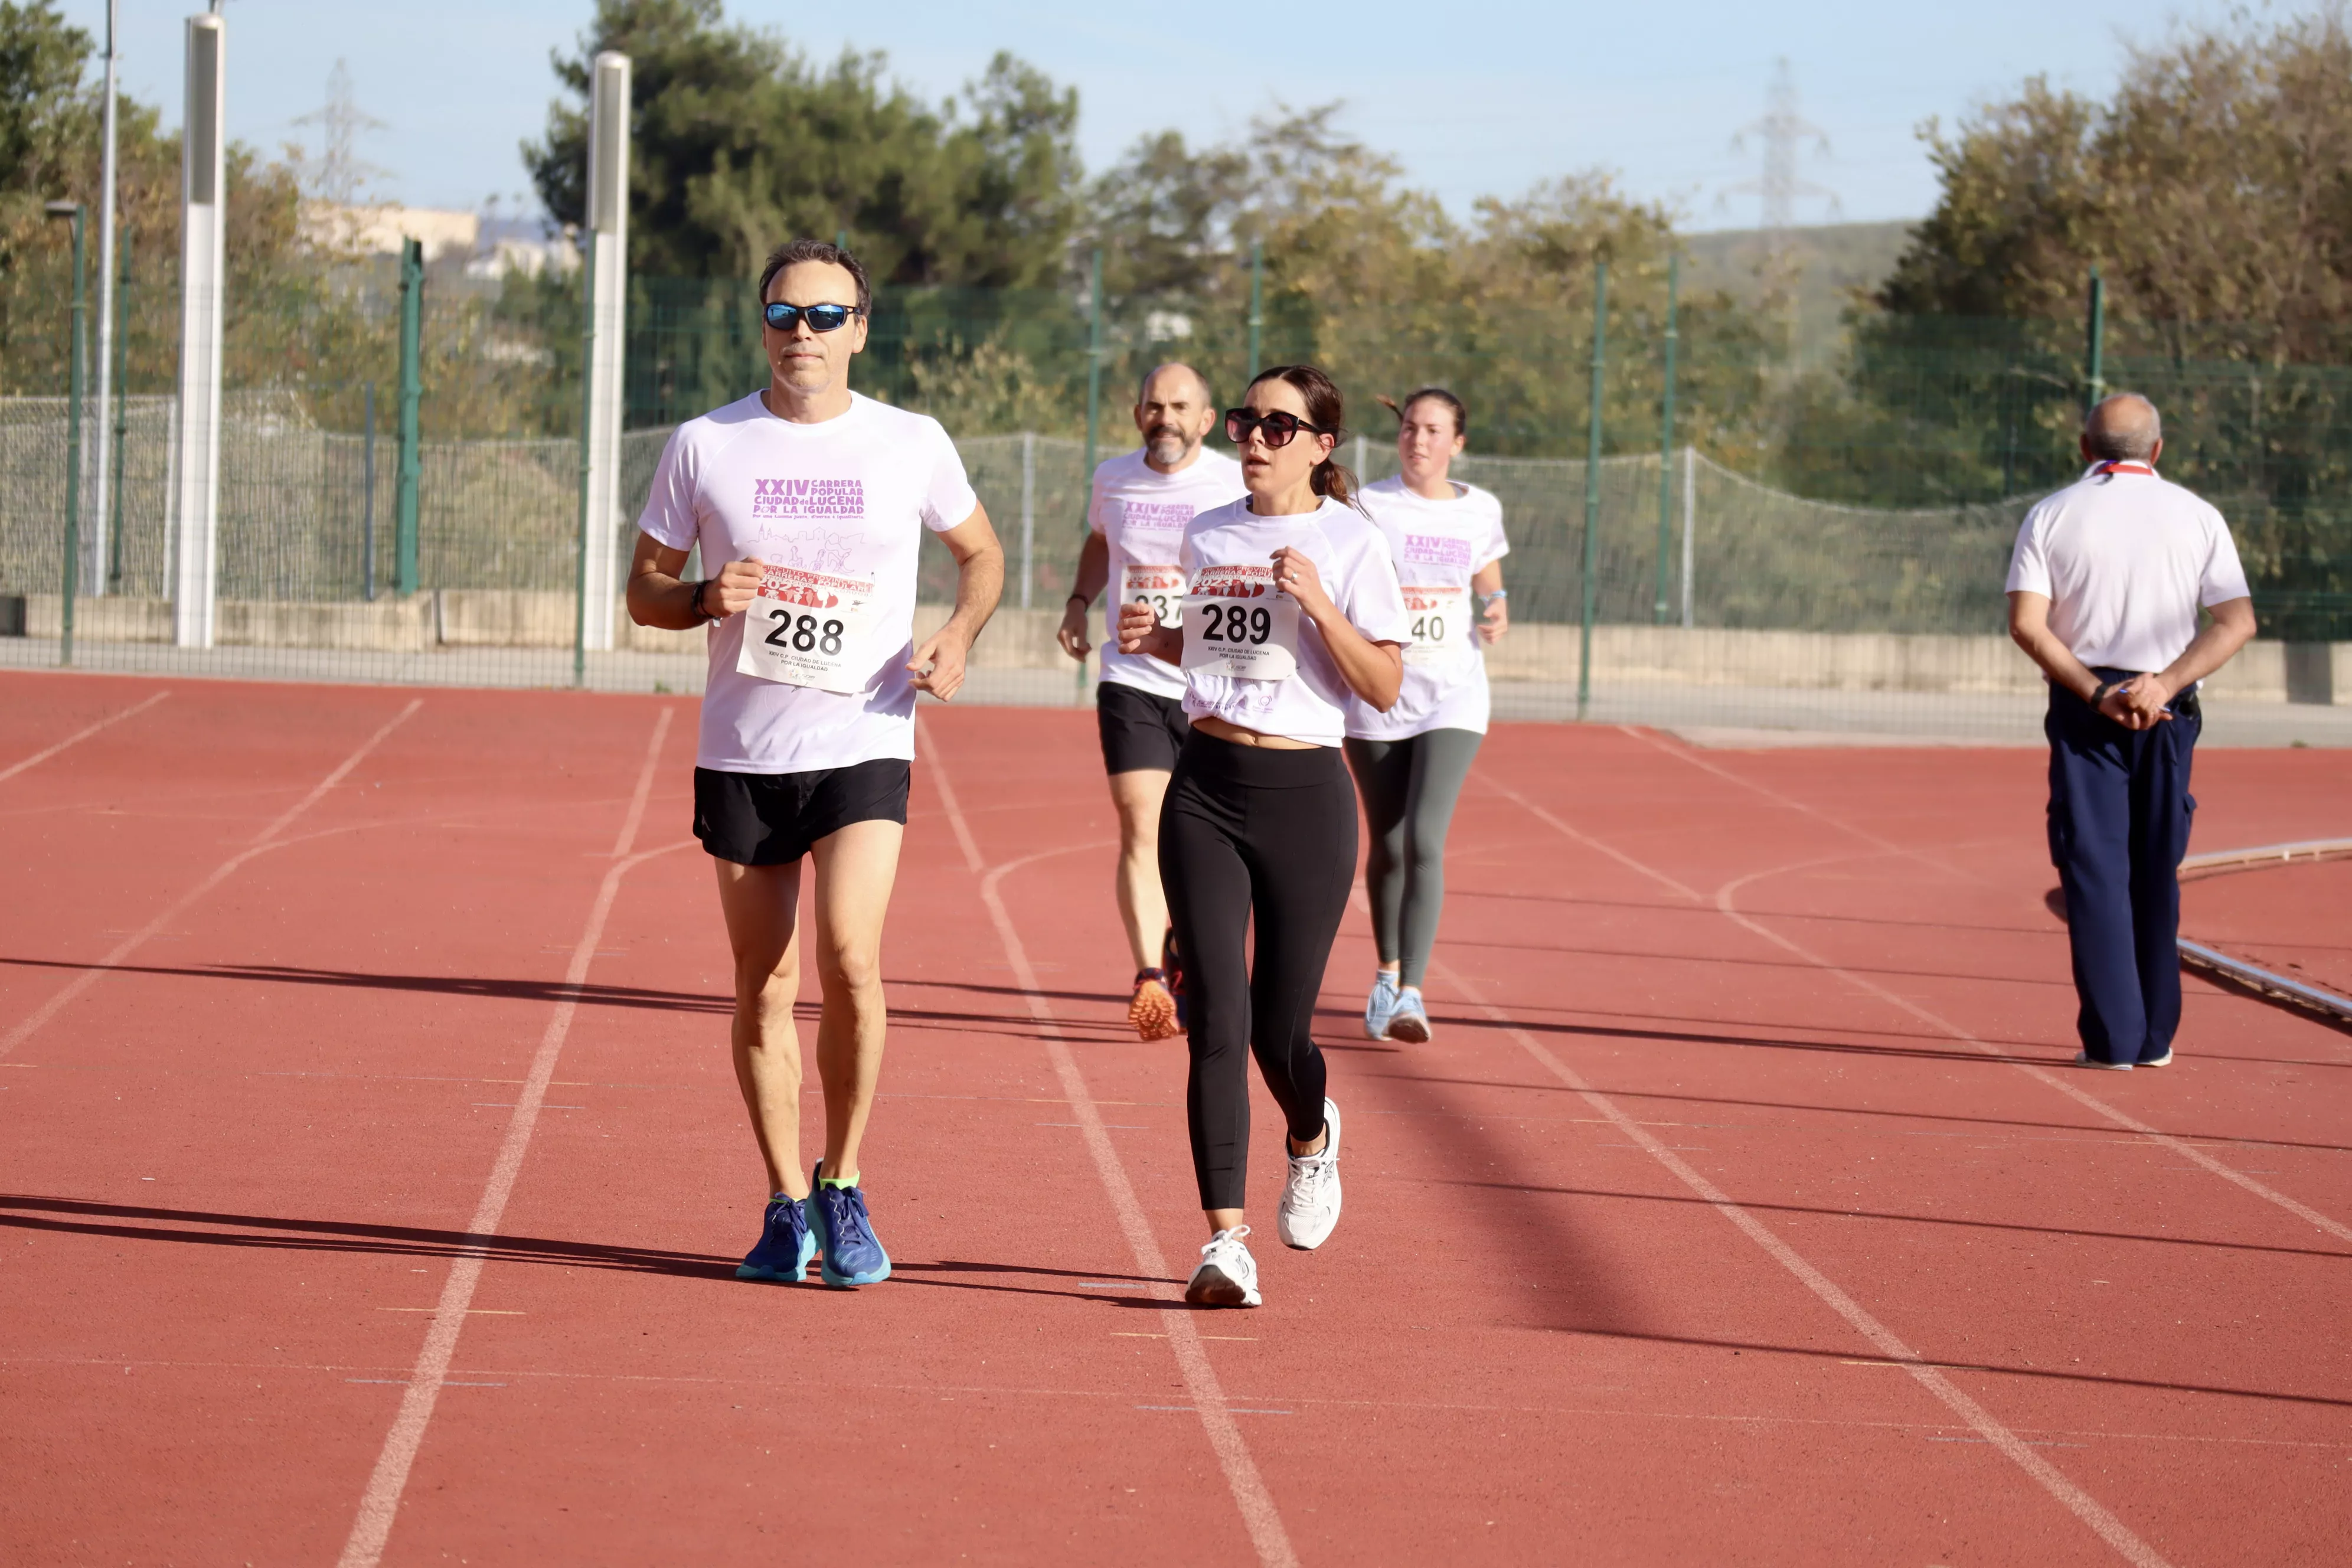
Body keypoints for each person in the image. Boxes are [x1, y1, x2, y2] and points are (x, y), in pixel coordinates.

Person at [626, 238, 1004, 1285]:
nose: (804, 333)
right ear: (761, 324)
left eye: (826, 316)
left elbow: (981, 554)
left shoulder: (908, 442)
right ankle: (784, 1202)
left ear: (860, 330)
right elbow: (644, 590)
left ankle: (845, 1184)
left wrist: (959, 636)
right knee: (762, 983)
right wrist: (705, 598)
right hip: (742, 750)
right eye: (785, 314)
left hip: (865, 733)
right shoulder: (704, 445)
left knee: (849, 956)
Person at [1117, 365, 1410, 1307]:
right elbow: (1210, 645)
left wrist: (1320, 601)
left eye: (1277, 425)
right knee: (1218, 1022)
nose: (1252, 436)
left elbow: (1384, 687)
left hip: (1305, 794)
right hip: (1204, 785)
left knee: (1281, 1032)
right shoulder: (1208, 530)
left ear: (1322, 447)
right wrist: (1155, 636)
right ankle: (1224, 1244)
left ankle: (1312, 1133)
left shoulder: (1354, 542)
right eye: (1246, 419)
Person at [2006, 393, 2255, 1070]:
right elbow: (2237, 622)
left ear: (2086, 448)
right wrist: (2164, 685)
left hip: (2089, 708)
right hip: (2168, 709)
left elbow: (2027, 623)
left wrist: (2095, 692)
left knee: (2094, 868)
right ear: (2159, 449)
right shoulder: (2199, 515)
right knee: (2156, 866)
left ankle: (2112, 1040)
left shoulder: (2052, 513)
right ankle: (2155, 1037)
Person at [1058, 364, 1246, 1040]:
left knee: (1206, 839)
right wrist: (1080, 602)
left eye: (1179, 407)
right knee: (1142, 824)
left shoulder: (1234, 481)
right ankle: (1150, 977)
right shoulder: (1113, 477)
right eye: (1153, 406)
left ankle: (1188, 943)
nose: (1164, 417)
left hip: (1212, 684)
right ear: (1138, 413)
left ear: (1205, 419)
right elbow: (1100, 541)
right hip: (1133, 677)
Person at [1344, 388, 1510, 1043]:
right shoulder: (1369, 504)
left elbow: (1487, 574)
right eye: (1410, 428)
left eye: (1433, 431)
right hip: (1380, 691)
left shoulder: (1481, 508)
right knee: (1386, 842)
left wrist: (1495, 603)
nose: (1418, 440)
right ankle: (1386, 974)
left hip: (1454, 691)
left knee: (1424, 840)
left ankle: (1412, 991)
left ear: (1457, 443)